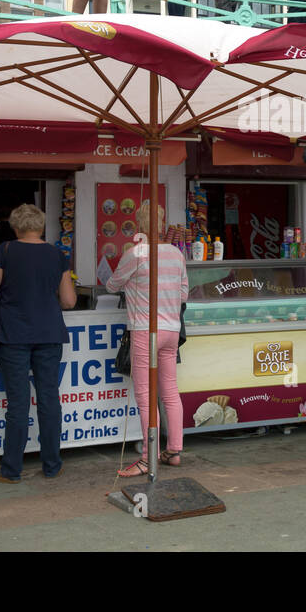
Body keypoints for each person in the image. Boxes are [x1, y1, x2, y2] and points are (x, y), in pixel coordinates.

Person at [0, 204, 76, 483]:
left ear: (16, 227)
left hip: (14, 336)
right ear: (42, 227)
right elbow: (68, 301)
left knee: (18, 403)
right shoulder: (58, 254)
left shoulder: (6, 250)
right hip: (49, 335)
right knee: (49, 399)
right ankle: (52, 466)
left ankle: (11, 470)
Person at [106, 201, 189, 477]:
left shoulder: (136, 253)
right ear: (162, 223)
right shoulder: (176, 253)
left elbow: (111, 284)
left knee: (145, 396)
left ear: (139, 225)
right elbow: (184, 294)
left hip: (145, 329)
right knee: (170, 391)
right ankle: (174, 450)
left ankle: (146, 458)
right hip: (172, 329)